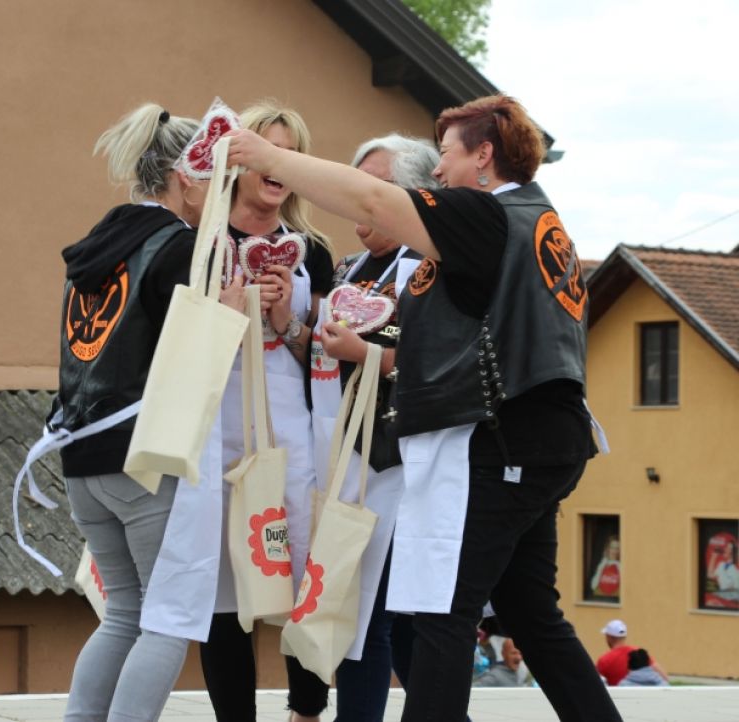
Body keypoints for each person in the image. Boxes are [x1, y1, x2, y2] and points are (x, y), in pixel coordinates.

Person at [226, 93, 624, 722]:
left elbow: (371, 200)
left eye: (446, 153)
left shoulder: (486, 214)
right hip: (542, 439)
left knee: (442, 612)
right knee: (529, 614)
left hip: (502, 443)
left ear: (483, 156)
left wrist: (268, 156)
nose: (437, 169)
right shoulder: (537, 217)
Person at [56, 104, 245, 722]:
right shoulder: (181, 247)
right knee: (168, 619)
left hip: (81, 452)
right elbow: (197, 357)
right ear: (187, 178)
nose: (222, 197)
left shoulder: (97, 245)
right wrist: (232, 312)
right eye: (216, 181)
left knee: (123, 614)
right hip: (145, 455)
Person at [199, 100, 334, 722]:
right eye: (267, 151)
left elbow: (327, 360)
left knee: (303, 573)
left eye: (289, 153)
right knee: (225, 590)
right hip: (218, 427)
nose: (277, 166)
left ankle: (307, 710)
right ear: (238, 160)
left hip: (291, 434)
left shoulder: (315, 252)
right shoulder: (200, 242)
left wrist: (287, 320)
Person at [311, 134, 437, 722]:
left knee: (369, 616)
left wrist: (366, 354)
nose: (362, 199)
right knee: (394, 619)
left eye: (378, 187)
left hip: (400, 461)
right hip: (349, 454)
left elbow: (444, 365)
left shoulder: (432, 269)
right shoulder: (350, 267)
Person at [596, 620, 667, 687]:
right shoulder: (639, 654)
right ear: (624, 636)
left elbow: (595, 684)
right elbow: (663, 677)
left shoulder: (604, 660)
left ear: (608, 637)